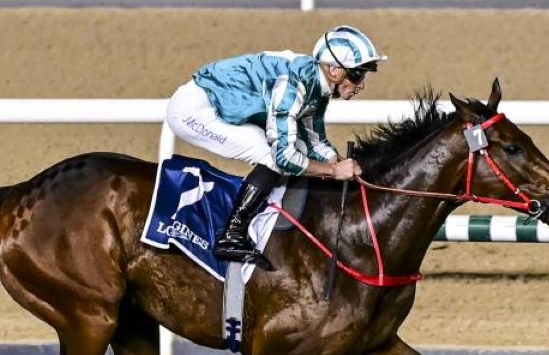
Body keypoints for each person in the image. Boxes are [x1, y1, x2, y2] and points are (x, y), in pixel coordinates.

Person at [164, 25, 387, 270]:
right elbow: (284, 158)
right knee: (271, 157)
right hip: (193, 111)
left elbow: (314, 141)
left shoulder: (316, 83)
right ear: (334, 70)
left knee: (291, 151)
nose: (361, 85)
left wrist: (338, 161)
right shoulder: (293, 85)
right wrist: (333, 171)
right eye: (357, 75)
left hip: (217, 104)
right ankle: (231, 235)